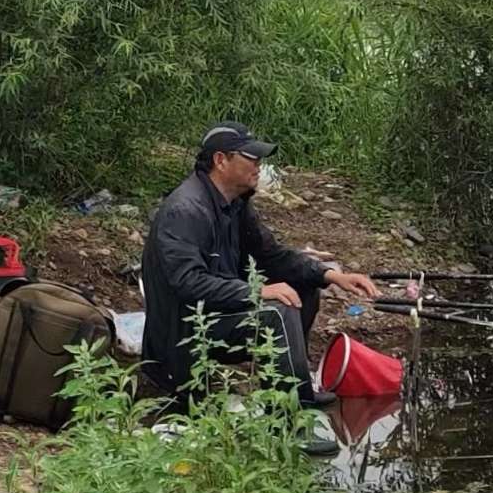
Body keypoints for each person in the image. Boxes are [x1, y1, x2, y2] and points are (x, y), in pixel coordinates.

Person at [141, 122, 379, 407]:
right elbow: (188, 283)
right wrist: (257, 292)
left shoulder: (235, 203)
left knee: (302, 290)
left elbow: (271, 256)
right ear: (221, 160)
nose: (259, 165)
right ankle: (292, 409)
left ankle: (285, 388)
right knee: (277, 312)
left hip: (216, 313)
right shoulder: (185, 210)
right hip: (182, 334)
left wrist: (330, 275)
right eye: (251, 158)